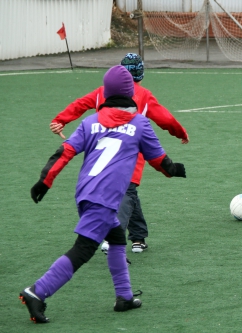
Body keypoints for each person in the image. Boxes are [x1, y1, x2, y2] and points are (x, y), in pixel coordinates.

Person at [20, 65, 187, 324]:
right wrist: (175, 170)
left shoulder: (91, 122)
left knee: (118, 239)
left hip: (86, 193)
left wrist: (45, 180)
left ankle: (124, 297)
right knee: (83, 249)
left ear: (105, 93)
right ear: (131, 92)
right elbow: (159, 161)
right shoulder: (140, 123)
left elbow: (64, 151)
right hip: (105, 200)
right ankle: (37, 292)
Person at [50, 53, 189, 254]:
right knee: (128, 192)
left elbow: (79, 104)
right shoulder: (144, 95)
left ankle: (118, 236)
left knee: (125, 193)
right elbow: (165, 118)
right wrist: (180, 132)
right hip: (130, 155)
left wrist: (61, 119)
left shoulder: (101, 92)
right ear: (141, 75)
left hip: (102, 154)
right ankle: (135, 238)